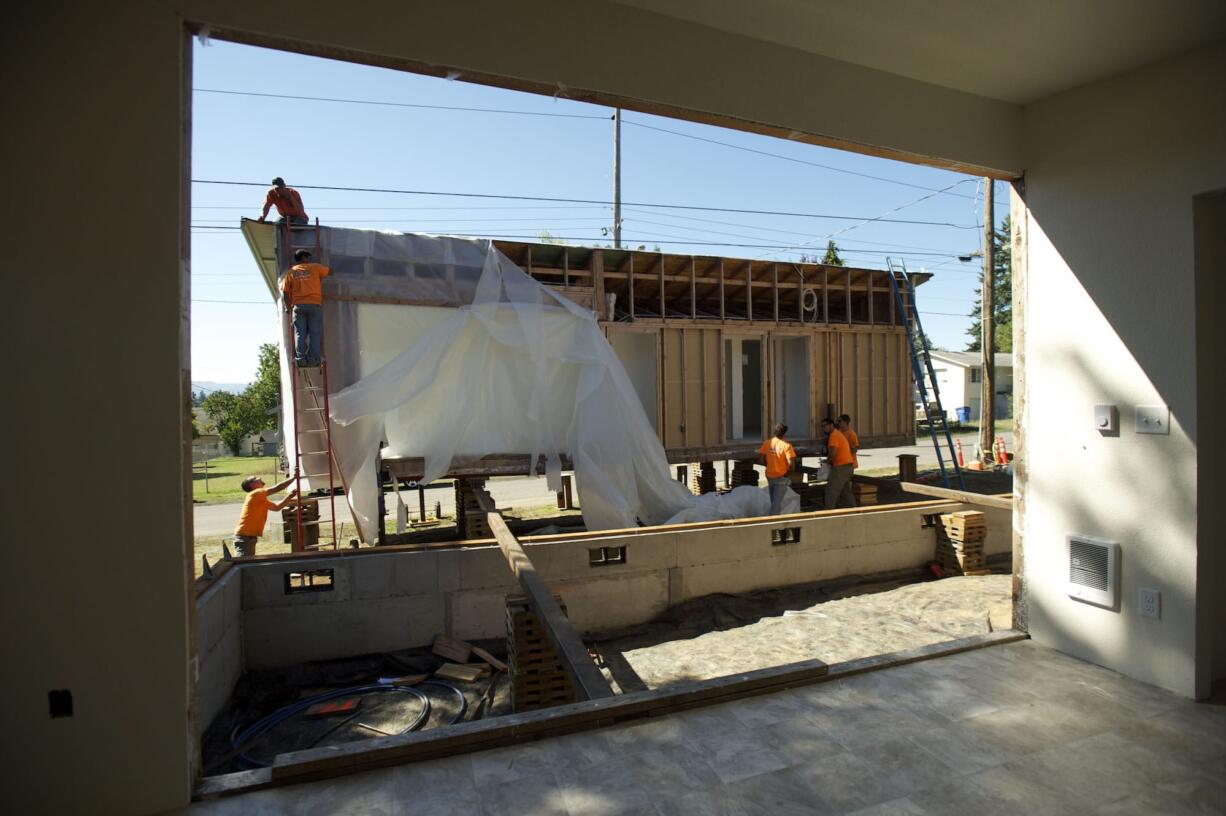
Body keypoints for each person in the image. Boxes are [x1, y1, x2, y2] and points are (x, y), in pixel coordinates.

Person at [282, 249, 331, 367]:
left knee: (300, 334)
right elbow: (330, 272)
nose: (309, 259)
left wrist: (287, 307)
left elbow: (285, 293)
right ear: (304, 257)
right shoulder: (315, 267)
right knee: (315, 333)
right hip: (314, 305)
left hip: (298, 306)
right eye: (308, 257)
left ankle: (301, 360)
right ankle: (313, 359)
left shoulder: (290, 272)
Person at [233, 471, 299, 556]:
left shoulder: (260, 499)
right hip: (244, 537)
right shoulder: (254, 494)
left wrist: (289, 496)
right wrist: (293, 478)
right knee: (243, 562)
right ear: (252, 485)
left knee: (247, 562)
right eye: (255, 478)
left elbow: (277, 507)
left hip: (249, 536)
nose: (259, 478)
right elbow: (277, 488)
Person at [758, 422, 797, 515]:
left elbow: (760, 459)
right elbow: (791, 464)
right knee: (776, 504)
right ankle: (772, 524)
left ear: (774, 432)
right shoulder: (786, 446)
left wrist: (769, 465)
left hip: (770, 476)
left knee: (774, 501)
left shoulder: (767, 443)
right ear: (784, 433)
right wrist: (789, 473)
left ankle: (775, 520)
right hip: (781, 477)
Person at [821, 417, 856, 509]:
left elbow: (833, 452)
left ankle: (828, 513)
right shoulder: (837, 434)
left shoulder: (834, 436)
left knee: (831, 490)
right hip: (847, 467)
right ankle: (852, 509)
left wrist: (827, 461)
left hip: (841, 467)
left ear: (831, 425)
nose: (824, 428)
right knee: (845, 491)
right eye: (822, 426)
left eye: (825, 426)